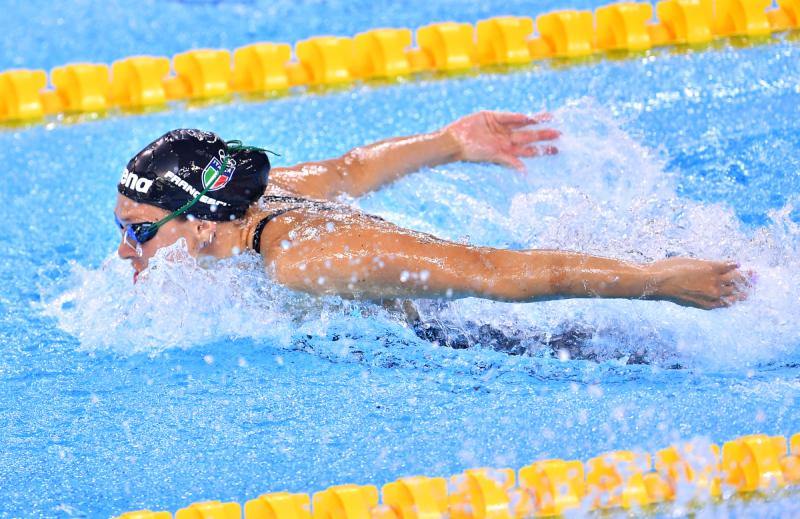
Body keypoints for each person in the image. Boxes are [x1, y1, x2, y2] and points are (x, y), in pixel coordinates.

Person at [114, 111, 749, 312]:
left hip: (479, 336)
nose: (124, 250)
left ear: (202, 222)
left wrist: (656, 282)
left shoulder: (303, 258)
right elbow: (350, 170)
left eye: (139, 231)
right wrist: (451, 142)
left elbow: (489, 271)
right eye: (122, 229)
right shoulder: (259, 197)